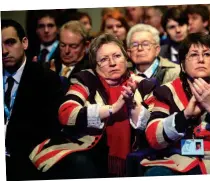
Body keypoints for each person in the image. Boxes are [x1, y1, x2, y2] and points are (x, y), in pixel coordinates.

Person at [29, 33, 156, 179]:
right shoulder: (86, 79)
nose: (112, 63)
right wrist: (112, 109)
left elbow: (152, 125)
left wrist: (131, 105)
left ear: (126, 57)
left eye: (117, 56)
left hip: (132, 156)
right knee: (82, 163)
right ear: (95, 65)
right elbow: (66, 113)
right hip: (87, 149)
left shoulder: (142, 84)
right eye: (104, 59)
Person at [142, 33, 210, 175]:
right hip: (177, 161)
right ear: (183, 66)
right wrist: (184, 116)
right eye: (193, 55)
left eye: (207, 54)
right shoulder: (165, 92)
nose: (201, 59)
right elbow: (153, 138)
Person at [2, 19, 64, 181]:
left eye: (10, 43)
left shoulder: (46, 79)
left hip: (29, 162)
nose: (3, 51)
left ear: (24, 43)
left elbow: (50, 131)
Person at [46, 20, 90, 92]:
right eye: (62, 45)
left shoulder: (89, 72)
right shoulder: (47, 68)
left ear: (86, 46)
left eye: (73, 46)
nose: (66, 51)